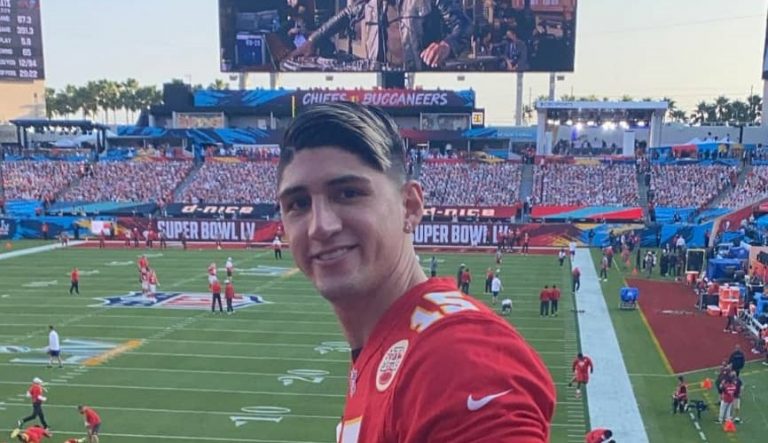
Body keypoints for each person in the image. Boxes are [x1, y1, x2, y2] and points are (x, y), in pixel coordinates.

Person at [276, 102, 554, 441]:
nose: (321, 226)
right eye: (298, 204)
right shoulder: (393, 342)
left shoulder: (457, 356)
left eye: (348, 194)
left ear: (410, 207)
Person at [290, 0, 472, 70]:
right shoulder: (369, 2)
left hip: (420, 79)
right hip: (378, 80)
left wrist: (446, 45)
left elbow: (464, 25)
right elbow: (346, 14)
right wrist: (313, 40)